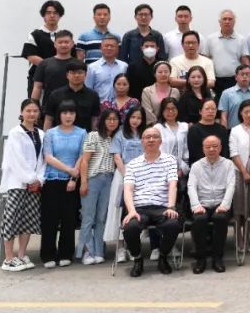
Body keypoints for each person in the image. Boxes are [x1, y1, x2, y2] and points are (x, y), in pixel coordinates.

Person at [121, 127, 182, 277]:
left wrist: (171, 206)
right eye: (147, 137)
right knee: (130, 227)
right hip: (139, 208)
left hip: (162, 206)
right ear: (142, 141)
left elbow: (173, 185)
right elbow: (128, 189)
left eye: (155, 137)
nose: (151, 140)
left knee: (173, 224)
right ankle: (138, 259)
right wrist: (131, 211)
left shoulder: (170, 160)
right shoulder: (133, 164)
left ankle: (163, 257)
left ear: (160, 141)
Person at [0, 99, 45, 271]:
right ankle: (8, 258)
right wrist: (31, 179)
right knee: (11, 219)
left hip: (34, 185)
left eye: (35, 111)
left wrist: (39, 180)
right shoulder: (15, 133)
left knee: (28, 220)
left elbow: (43, 160)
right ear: (22, 112)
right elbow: (16, 160)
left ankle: (21, 255)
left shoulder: (41, 134)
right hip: (17, 183)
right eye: (28, 110)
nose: (32, 114)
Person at [40, 102, 85, 268]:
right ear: (59, 115)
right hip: (52, 180)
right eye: (65, 113)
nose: (68, 116)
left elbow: (82, 156)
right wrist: (69, 170)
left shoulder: (82, 133)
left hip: (72, 182)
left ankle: (66, 253)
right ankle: (48, 254)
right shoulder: (50, 133)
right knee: (49, 219)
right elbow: (48, 157)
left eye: (71, 113)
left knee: (69, 218)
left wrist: (73, 178)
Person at [187, 135, 236, 274]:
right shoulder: (196, 166)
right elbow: (191, 187)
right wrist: (196, 205)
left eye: (215, 146)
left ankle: (217, 258)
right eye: (208, 147)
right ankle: (200, 258)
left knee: (220, 218)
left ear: (220, 148)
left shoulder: (228, 164)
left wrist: (225, 205)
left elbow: (231, 185)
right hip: (202, 203)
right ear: (203, 149)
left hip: (221, 203)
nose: (211, 149)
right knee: (199, 220)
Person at [77, 109, 119, 265]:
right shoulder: (93, 135)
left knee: (101, 217)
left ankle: (99, 250)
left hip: (109, 180)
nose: (112, 122)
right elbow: (85, 161)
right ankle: (87, 251)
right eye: (109, 119)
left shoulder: (116, 139)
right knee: (88, 216)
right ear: (103, 120)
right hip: (93, 178)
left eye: (115, 119)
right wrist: (84, 182)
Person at [106, 105, 145, 261]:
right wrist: (127, 175)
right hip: (123, 174)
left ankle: (132, 247)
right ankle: (120, 248)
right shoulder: (120, 134)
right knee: (120, 209)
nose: (135, 120)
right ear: (128, 118)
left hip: (141, 175)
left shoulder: (144, 134)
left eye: (139, 118)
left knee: (135, 210)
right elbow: (117, 157)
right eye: (133, 117)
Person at [229, 99, 250, 232]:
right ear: (241, 113)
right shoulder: (235, 130)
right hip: (239, 172)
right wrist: (244, 172)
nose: (249, 115)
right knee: (239, 207)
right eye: (246, 112)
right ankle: (238, 238)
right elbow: (234, 153)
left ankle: (247, 238)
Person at [43, 60, 101, 131]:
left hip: (85, 135)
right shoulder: (55, 95)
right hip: (59, 136)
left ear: (85, 75)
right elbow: (49, 118)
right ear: (67, 75)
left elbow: (94, 119)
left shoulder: (93, 95)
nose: (76, 75)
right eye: (73, 72)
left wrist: (93, 135)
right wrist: (46, 135)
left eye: (80, 72)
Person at [24, 0, 66, 94]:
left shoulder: (65, 35)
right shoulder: (34, 34)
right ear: (43, 16)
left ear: (60, 16)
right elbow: (31, 56)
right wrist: (52, 67)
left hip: (61, 81)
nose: (52, 15)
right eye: (48, 13)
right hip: (37, 80)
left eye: (55, 13)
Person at [206, 9, 249, 99]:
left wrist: (246, 78)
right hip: (216, 81)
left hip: (235, 80)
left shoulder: (241, 39)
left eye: (230, 19)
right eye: (224, 19)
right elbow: (206, 60)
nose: (227, 21)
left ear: (234, 22)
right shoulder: (210, 39)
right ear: (219, 22)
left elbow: (245, 62)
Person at [30, 30, 76, 101]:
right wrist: (33, 104)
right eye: (60, 42)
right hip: (49, 105)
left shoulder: (78, 64)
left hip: (73, 105)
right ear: (55, 44)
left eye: (66, 42)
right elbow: (37, 87)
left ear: (72, 44)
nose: (63, 45)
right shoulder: (44, 64)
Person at [185, 99, 230, 168]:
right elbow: (195, 153)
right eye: (207, 109)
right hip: (200, 168)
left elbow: (225, 151)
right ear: (200, 111)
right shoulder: (194, 130)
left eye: (213, 109)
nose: (210, 111)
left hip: (221, 167)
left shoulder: (222, 129)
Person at [85, 37, 129, 103]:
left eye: (112, 46)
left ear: (117, 49)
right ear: (101, 48)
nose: (109, 48)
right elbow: (88, 89)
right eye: (106, 46)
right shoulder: (92, 67)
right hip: (99, 105)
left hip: (120, 105)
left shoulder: (124, 66)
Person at [217, 64, 250, 129]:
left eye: (247, 74)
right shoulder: (226, 93)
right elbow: (223, 116)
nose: (245, 76)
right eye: (242, 74)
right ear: (236, 77)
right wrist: (224, 133)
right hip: (232, 131)